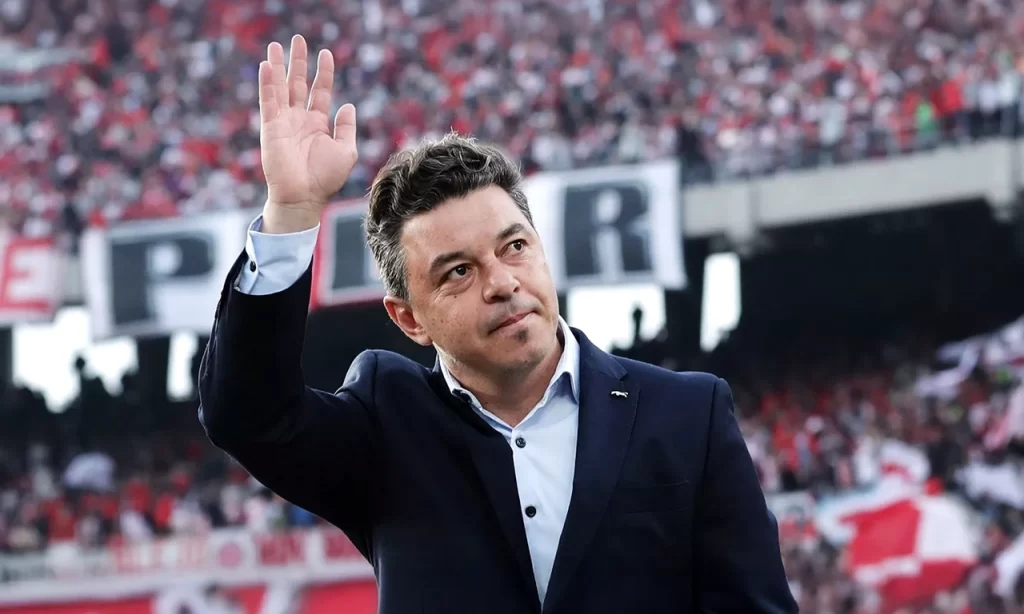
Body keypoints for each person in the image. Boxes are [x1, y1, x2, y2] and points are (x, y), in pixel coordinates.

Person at [198, 35, 796, 614]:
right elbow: (246, 416)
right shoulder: (387, 424)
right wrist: (292, 214)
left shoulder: (688, 414)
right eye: (458, 271)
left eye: (513, 247)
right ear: (409, 319)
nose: (503, 282)